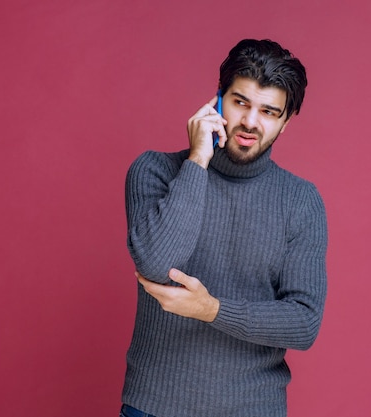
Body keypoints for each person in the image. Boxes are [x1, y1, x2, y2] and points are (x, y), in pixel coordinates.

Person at [121, 38, 328, 417]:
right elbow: (155, 264)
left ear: (285, 122)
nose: (250, 121)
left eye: (269, 111)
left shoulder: (301, 200)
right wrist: (198, 159)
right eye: (240, 102)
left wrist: (212, 309)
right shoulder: (154, 171)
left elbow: (303, 323)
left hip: (252, 409)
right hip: (154, 407)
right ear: (217, 100)